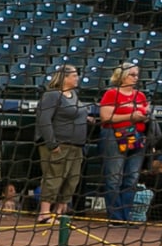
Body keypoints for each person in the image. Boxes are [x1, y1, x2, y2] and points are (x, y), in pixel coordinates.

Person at [34, 65, 91, 225]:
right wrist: (52, 144)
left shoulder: (73, 94)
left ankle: (59, 213)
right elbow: (44, 120)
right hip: (59, 145)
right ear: (64, 77)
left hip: (76, 146)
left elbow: (73, 113)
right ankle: (44, 213)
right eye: (74, 75)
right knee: (53, 177)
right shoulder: (52, 95)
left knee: (72, 179)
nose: (77, 78)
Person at [99, 61, 152, 223]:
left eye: (137, 75)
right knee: (114, 178)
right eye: (132, 74)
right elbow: (106, 117)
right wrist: (131, 116)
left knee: (131, 178)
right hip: (114, 135)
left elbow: (144, 114)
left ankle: (126, 216)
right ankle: (115, 217)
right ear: (122, 76)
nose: (136, 78)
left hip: (135, 135)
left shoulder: (140, 95)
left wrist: (144, 115)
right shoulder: (111, 94)